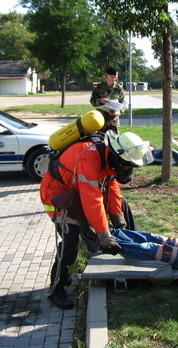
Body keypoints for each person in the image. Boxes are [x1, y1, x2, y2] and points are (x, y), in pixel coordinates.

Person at [40, 131, 153, 309]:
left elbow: (111, 186)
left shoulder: (110, 157)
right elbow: (92, 199)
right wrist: (104, 236)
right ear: (120, 157)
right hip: (59, 195)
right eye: (128, 166)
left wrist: (118, 220)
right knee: (71, 238)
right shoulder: (89, 159)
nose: (128, 171)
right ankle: (57, 288)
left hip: (79, 191)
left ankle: (135, 252)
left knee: (123, 205)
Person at [90, 66, 125, 133]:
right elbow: (92, 101)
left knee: (114, 142)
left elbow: (123, 103)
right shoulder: (99, 87)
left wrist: (117, 112)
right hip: (101, 120)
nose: (114, 78)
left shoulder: (119, 88)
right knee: (100, 141)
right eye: (112, 76)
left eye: (115, 76)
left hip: (113, 122)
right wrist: (100, 101)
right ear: (107, 75)